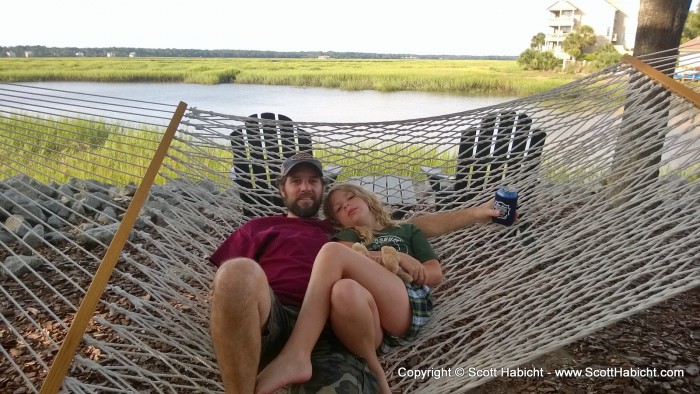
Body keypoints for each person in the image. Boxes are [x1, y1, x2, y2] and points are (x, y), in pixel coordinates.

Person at [208, 152, 502, 394]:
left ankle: (299, 357)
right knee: (236, 272)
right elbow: (227, 291)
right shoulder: (258, 227)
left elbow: (420, 226)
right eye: (296, 181)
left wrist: (476, 213)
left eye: (313, 181)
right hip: (273, 314)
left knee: (341, 282)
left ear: (322, 189)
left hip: (337, 326)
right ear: (282, 189)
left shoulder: (343, 231)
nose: (305, 187)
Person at [255, 183, 442, 394]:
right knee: (343, 290)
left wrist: (410, 265)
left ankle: (296, 353)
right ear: (337, 222)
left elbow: (435, 274)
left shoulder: (406, 230)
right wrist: (395, 257)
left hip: (405, 303)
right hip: (369, 325)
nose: (345, 205)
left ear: (367, 199)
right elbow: (345, 253)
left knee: (331, 252)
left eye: (350, 197)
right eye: (337, 208)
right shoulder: (350, 236)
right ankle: (377, 372)